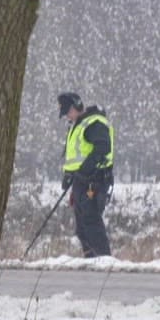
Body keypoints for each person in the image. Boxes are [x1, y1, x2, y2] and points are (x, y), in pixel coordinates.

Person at [58, 91, 114, 258]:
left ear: (76, 106)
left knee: (91, 221)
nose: (67, 116)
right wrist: (68, 175)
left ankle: (103, 260)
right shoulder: (77, 125)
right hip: (79, 182)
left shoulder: (94, 123)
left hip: (94, 181)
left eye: (68, 112)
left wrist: (84, 170)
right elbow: (74, 155)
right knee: (81, 226)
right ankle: (90, 259)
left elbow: (103, 149)